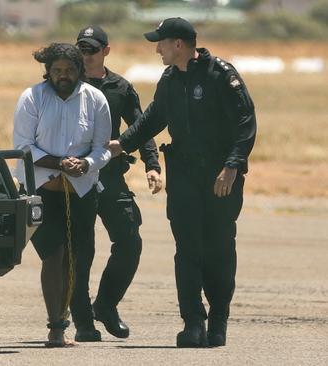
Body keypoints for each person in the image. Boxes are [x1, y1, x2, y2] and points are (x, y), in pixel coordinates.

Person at [108, 17, 257, 348]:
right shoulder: (170, 78)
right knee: (187, 249)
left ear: (178, 44)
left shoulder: (221, 75)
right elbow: (153, 118)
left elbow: (246, 122)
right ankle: (193, 323)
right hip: (185, 175)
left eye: (160, 42)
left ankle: (218, 319)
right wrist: (123, 143)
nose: (157, 48)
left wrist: (232, 166)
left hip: (220, 176)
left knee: (218, 248)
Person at [13, 43, 112, 348]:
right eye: (57, 71)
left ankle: (63, 320)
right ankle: (55, 326)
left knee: (72, 257)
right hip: (41, 190)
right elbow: (24, 146)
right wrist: (59, 163)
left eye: (69, 70)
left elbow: (103, 148)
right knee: (52, 255)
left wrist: (86, 163)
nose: (63, 76)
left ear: (79, 70)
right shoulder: (32, 97)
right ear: (48, 71)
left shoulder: (95, 99)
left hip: (80, 191)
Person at [71, 26, 163, 342]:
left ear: (106, 51)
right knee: (80, 251)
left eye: (91, 50)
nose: (85, 56)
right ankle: (82, 321)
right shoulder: (67, 84)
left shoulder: (120, 88)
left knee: (129, 241)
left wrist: (153, 165)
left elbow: (141, 127)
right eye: (81, 49)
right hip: (73, 177)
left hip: (110, 176)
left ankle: (106, 305)